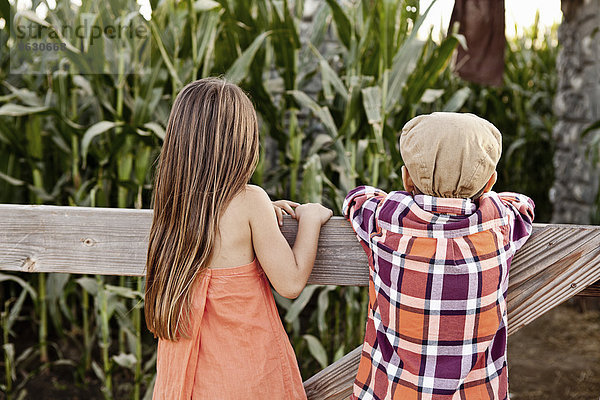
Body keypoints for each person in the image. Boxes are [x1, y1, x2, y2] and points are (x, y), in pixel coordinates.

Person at [145, 77, 332, 400]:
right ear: (241, 142)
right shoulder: (249, 201)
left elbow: (214, 220)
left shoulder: (173, 206)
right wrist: (311, 219)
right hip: (244, 374)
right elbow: (290, 282)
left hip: (190, 377)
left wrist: (260, 212)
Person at [343, 112, 535, 400]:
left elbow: (357, 198)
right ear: (491, 182)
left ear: (406, 178)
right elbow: (524, 205)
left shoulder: (386, 218)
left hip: (394, 392)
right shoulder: (500, 224)